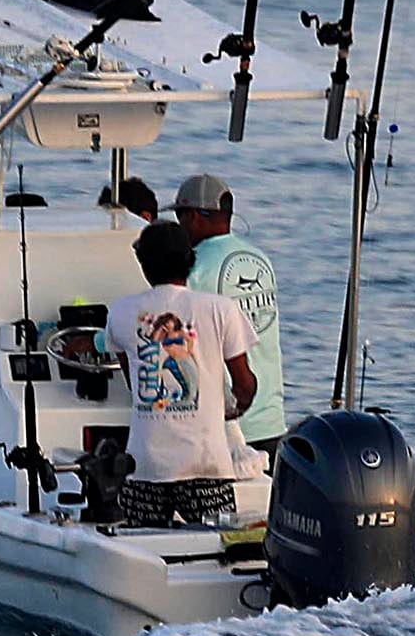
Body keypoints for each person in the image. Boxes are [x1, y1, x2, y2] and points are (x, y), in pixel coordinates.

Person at [101, 221, 256, 527]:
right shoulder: (221, 309)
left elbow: (135, 383)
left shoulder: (120, 312)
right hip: (206, 467)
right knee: (215, 549)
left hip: (144, 467)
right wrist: (232, 408)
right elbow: (245, 383)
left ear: (143, 264)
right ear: (190, 260)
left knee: (144, 551)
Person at [172, 172, 286, 456]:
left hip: (225, 424)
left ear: (196, 217)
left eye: (180, 217)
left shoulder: (191, 268)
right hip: (271, 419)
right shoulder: (261, 259)